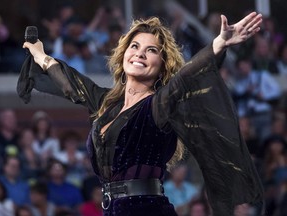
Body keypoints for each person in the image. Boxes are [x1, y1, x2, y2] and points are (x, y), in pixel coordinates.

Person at [19, 12, 264, 216]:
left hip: (148, 209)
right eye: (135, 46)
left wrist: (219, 44)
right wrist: (40, 55)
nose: (140, 53)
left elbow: (186, 78)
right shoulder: (107, 104)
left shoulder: (158, 105)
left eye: (151, 50)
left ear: (162, 65)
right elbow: (74, 86)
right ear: (124, 52)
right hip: (112, 209)